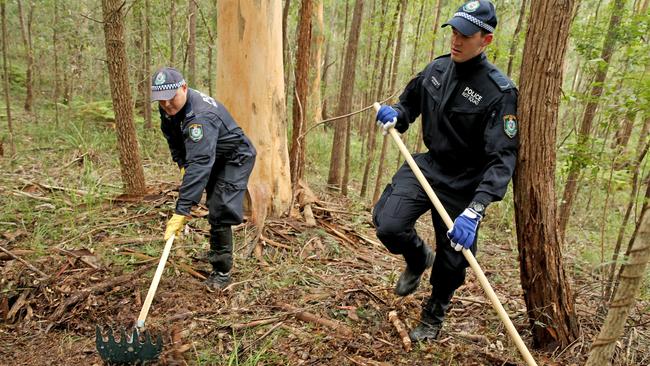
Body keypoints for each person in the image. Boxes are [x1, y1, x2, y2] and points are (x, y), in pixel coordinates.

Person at [373, 0, 518, 342]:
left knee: (453, 260)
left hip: (465, 183)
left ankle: (434, 314)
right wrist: (396, 114)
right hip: (429, 165)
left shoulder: (499, 92)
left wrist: (476, 209)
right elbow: (409, 103)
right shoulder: (436, 69)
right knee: (388, 224)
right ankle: (418, 256)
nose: (456, 40)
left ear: (486, 40)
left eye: (466, 35)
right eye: (454, 31)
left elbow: (503, 157)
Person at [151, 67, 256, 290]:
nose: (167, 106)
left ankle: (222, 271)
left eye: (171, 99)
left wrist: (182, 211)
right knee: (211, 200)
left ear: (184, 88)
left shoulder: (200, 117)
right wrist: (181, 164)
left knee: (219, 208)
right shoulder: (169, 108)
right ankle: (217, 248)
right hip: (212, 154)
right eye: (161, 102)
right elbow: (174, 139)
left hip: (234, 158)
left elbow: (199, 165)